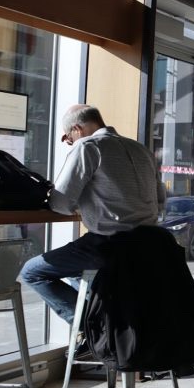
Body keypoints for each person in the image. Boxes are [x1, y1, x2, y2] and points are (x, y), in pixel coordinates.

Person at [19, 105, 164, 324]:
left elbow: (61, 204)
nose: (69, 143)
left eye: (68, 138)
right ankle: (108, 322)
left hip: (109, 245)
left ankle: (93, 329)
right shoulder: (141, 149)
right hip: (149, 245)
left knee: (31, 272)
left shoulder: (87, 146)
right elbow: (160, 200)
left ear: (76, 129)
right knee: (77, 271)